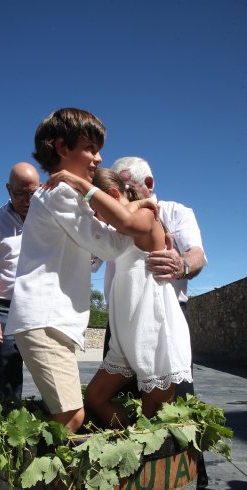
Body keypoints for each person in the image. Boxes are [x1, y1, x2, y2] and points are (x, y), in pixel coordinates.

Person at [5, 108, 158, 433]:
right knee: (71, 417)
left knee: (69, 414)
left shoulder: (64, 194)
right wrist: (140, 207)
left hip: (49, 322)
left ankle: (34, 474)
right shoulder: (60, 193)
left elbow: (91, 254)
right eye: (90, 148)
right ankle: (26, 478)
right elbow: (110, 246)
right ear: (62, 148)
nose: (99, 158)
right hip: (43, 321)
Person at [110, 156, 207, 490]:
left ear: (146, 182)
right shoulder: (117, 216)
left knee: (180, 417)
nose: (117, 195)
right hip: (121, 329)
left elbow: (198, 256)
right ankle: (135, 488)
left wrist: (182, 264)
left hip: (161, 325)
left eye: (123, 187)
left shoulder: (175, 212)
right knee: (116, 409)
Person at [84, 168, 192, 426]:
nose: (95, 217)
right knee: (95, 398)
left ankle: (149, 461)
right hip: (124, 338)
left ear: (111, 195)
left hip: (153, 335)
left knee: (152, 422)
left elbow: (128, 223)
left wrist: (84, 185)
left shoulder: (145, 214)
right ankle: (126, 442)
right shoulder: (116, 231)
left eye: (95, 208)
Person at [0, 163, 40, 403]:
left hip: (42, 308)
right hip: (5, 309)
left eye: (32, 193)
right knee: (9, 384)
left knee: (53, 377)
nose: (26, 199)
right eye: (19, 193)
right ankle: (13, 429)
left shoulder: (51, 216)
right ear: (7, 189)